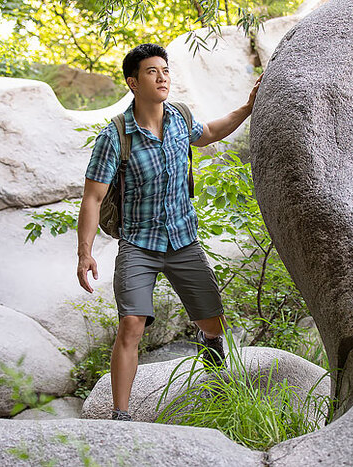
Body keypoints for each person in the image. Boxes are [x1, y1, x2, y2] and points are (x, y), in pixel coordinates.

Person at [76, 43, 262, 422]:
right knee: (131, 324)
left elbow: (208, 132)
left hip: (183, 241)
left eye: (165, 70)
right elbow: (93, 198)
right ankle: (121, 415)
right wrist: (85, 252)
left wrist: (246, 108)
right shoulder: (115, 137)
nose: (162, 77)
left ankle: (209, 344)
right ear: (132, 82)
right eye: (151, 72)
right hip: (138, 245)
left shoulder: (179, 118)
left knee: (214, 322)